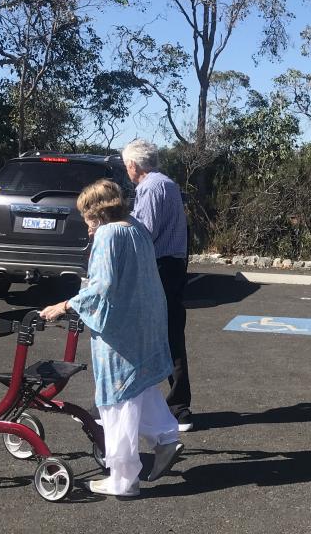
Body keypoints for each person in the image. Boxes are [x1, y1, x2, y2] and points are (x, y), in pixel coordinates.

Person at [39, 179, 183, 498]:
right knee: (138, 385)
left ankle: (123, 477)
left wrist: (64, 306)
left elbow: (101, 288)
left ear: (97, 214)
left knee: (115, 399)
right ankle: (165, 437)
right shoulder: (136, 229)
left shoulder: (108, 234)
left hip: (121, 330)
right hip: (146, 321)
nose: (88, 229)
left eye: (87, 220)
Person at [122, 139, 194, 433]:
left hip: (160, 267)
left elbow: (145, 232)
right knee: (171, 335)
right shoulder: (169, 184)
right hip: (174, 264)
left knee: (148, 334)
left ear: (133, 165)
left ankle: (163, 408)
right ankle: (179, 408)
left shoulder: (149, 188)